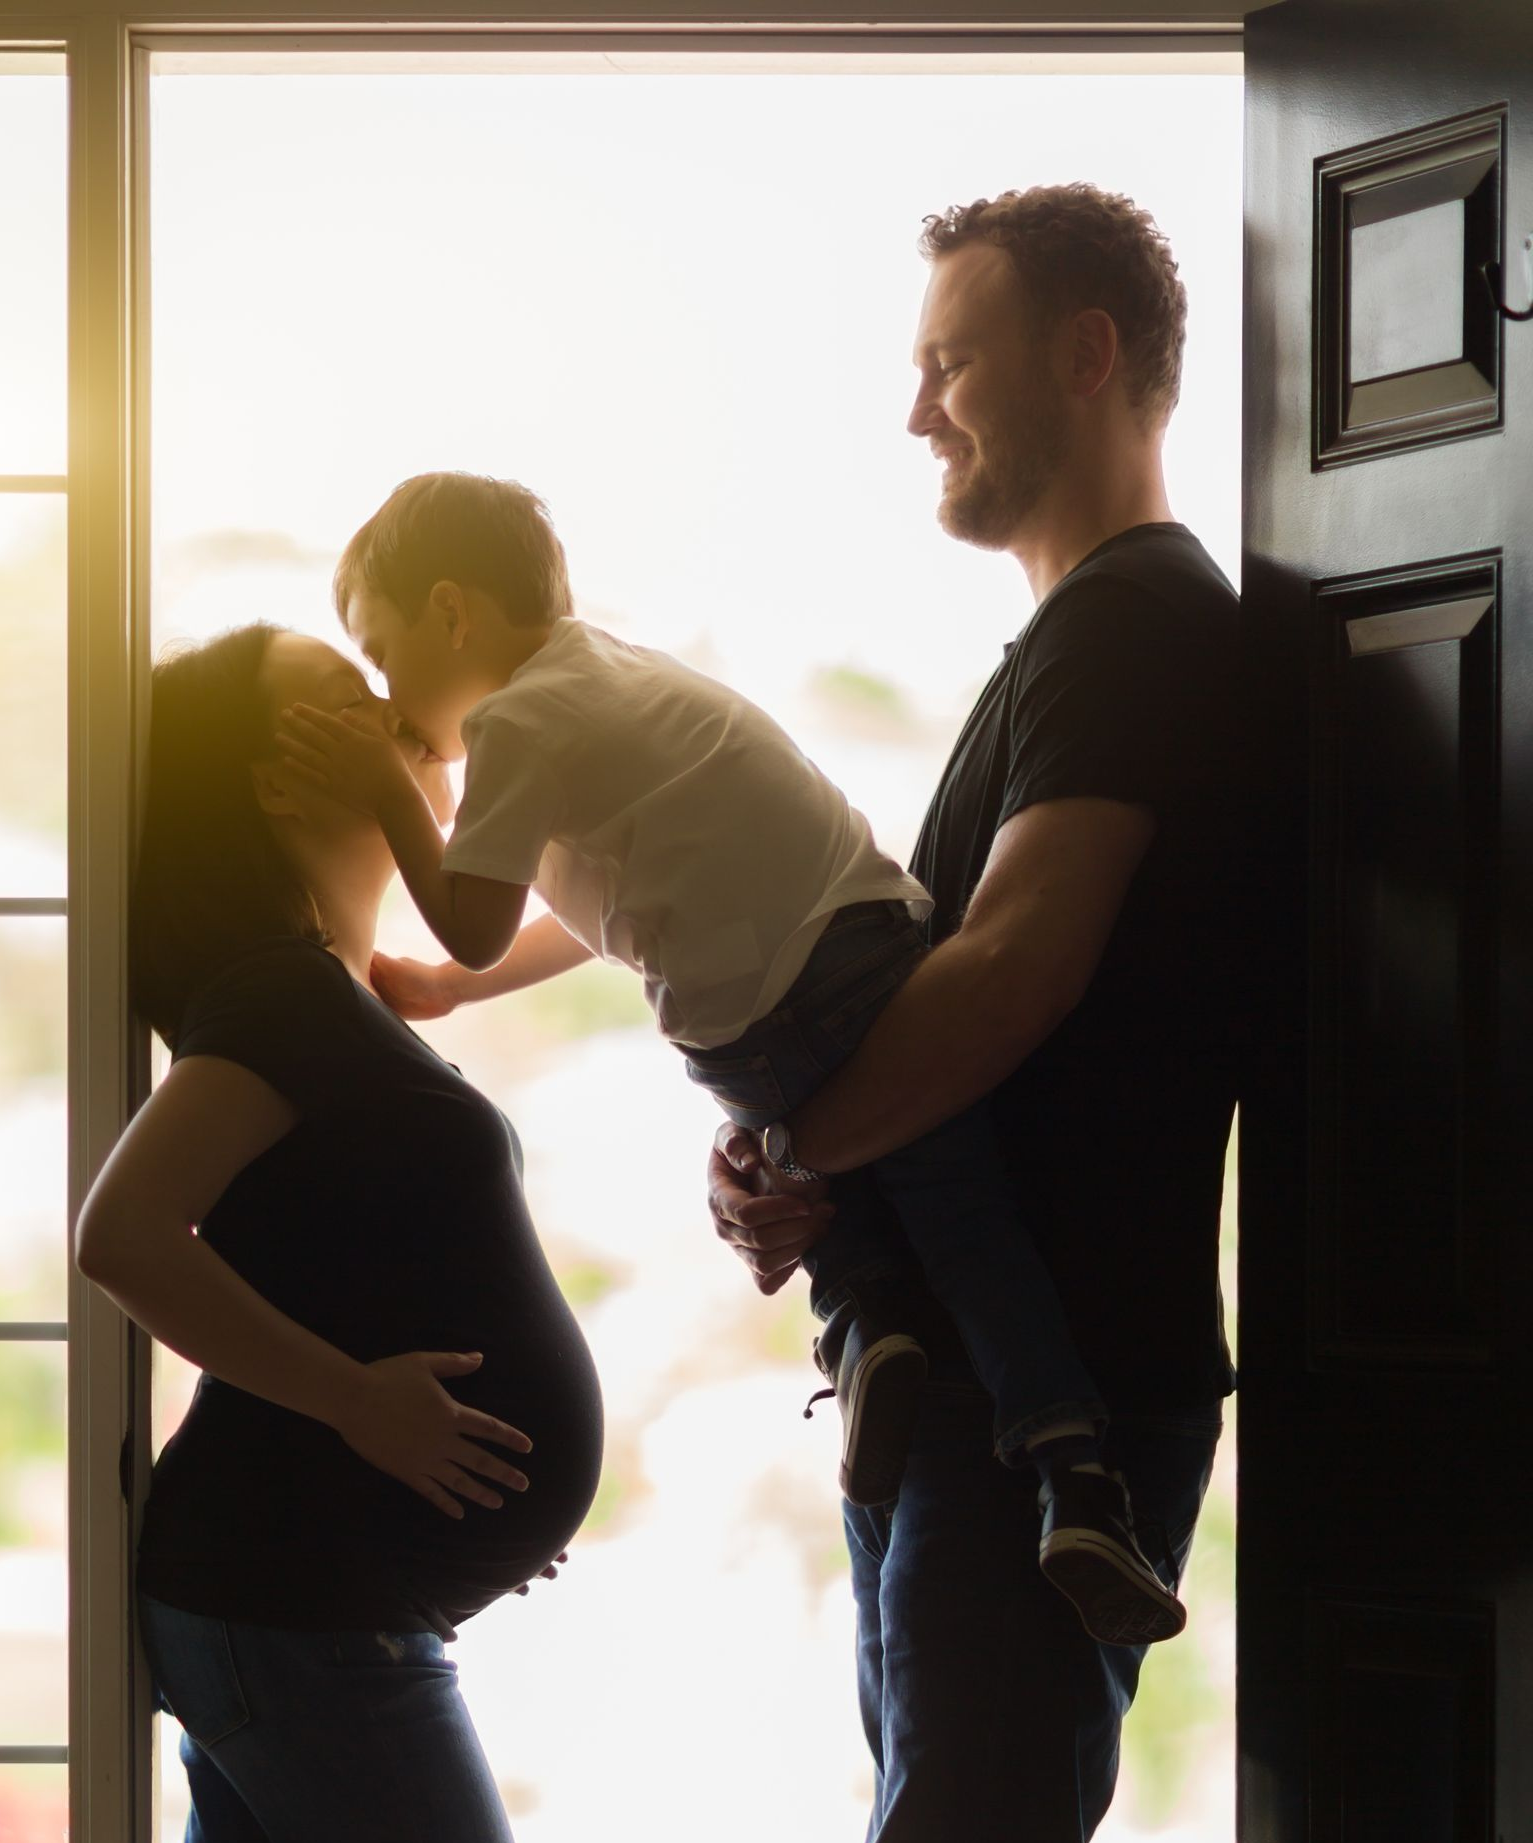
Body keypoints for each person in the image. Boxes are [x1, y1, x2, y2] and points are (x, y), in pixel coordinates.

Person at [645, 185, 1249, 1843]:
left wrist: (830, 1132)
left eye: (953, 359)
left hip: (1050, 1422)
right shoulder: (1062, 648)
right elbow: (937, 1054)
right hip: (968, 1417)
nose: (918, 403)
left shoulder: (1136, 634)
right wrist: (803, 1164)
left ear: (1093, 355)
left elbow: (1005, 980)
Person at [76, 620, 680, 1843]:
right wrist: (359, 1401)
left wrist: (475, 1491)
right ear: (267, 773)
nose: (369, 700)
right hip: (292, 1604)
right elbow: (122, 1233)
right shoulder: (263, 997)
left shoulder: (335, 989)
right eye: (321, 687)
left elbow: (471, 959)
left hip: (298, 1595)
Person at [272, 474, 1185, 1647]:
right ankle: (1077, 1481)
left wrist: (387, 798)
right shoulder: (615, 672)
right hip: (879, 951)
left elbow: (473, 915)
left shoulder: (512, 725)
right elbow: (604, 911)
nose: (390, 692)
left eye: (383, 651)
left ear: (453, 613)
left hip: (761, 1029)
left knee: (789, 1137)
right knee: (969, 1223)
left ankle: (865, 1321)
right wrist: (458, 992)